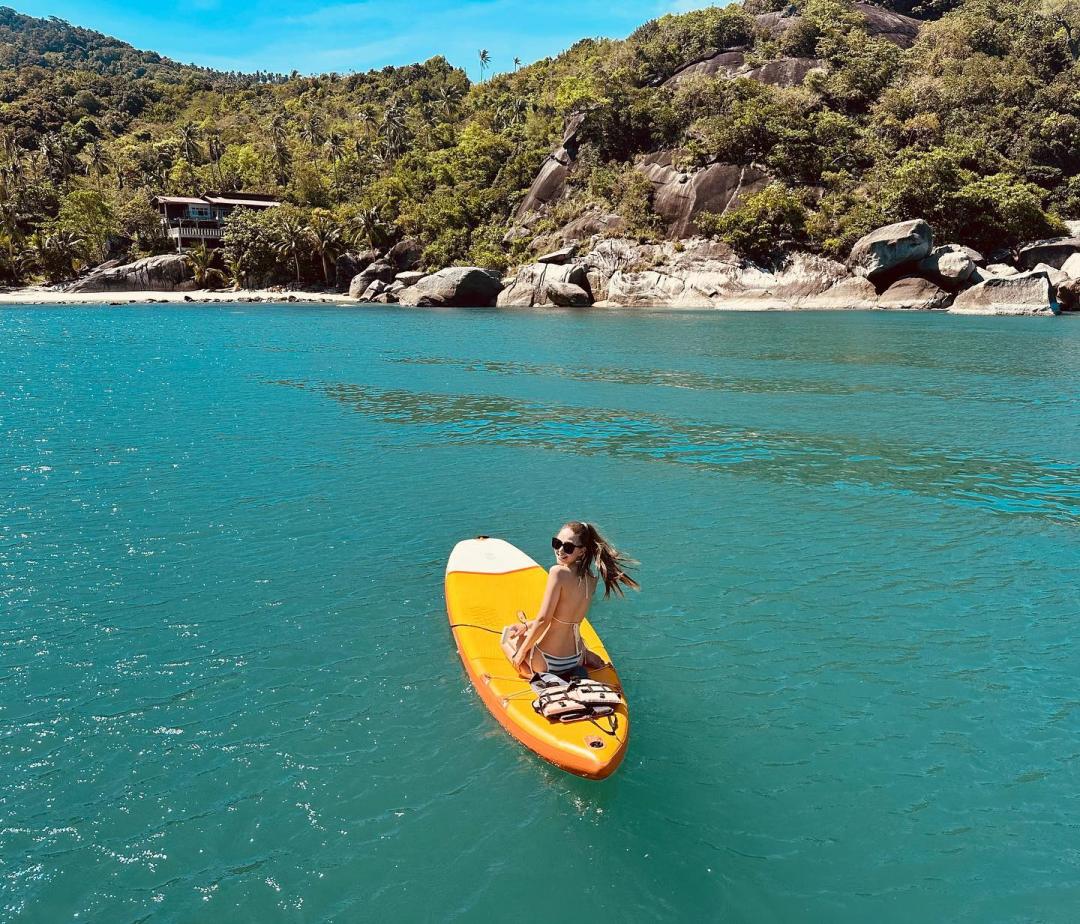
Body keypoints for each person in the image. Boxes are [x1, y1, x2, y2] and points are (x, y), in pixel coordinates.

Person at [505, 521, 639, 678]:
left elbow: (544, 620)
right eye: (557, 543)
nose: (560, 550)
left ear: (582, 552)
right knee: (529, 633)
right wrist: (527, 625)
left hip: (546, 661)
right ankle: (585, 655)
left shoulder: (558, 573)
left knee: (508, 639)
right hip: (575, 658)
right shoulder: (592, 579)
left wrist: (521, 653)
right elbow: (564, 619)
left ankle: (532, 675)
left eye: (568, 547)